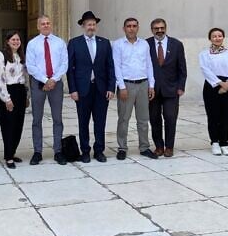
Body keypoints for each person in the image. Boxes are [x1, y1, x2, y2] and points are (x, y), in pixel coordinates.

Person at [67, 11, 115, 163]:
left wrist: (111, 87)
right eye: (89, 24)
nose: (91, 27)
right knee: (83, 122)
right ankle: (85, 151)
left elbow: (110, 67)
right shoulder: (74, 43)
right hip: (82, 90)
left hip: (101, 89)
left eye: (94, 24)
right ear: (83, 26)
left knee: (100, 122)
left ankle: (99, 150)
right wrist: (73, 89)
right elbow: (70, 69)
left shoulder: (104, 43)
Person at [25, 15, 68, 165]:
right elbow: (30, 66)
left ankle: (58, 151)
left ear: (51, 25)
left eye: (48, 23)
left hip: (56, 84)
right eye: (42, 24)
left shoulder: (60, 43)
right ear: (38, 26)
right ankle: (37, 152)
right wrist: (45, 80)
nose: (45, 25)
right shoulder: (32, 44)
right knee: (37, 119)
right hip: (38, 84)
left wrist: (53, 79)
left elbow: (64, 63)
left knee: (57, 119)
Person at [112, 17, 157, 160]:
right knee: (123, 118)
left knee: (143, 119)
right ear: (124, 28)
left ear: (138, 28)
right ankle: (122, 147)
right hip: (127, 85)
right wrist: (121, 87)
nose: (131, 28)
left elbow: (149, 65)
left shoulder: (144, 44)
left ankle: (144, 147)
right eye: (128, 26)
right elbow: (116, 66)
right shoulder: (118, 44)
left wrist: (151, 85)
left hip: (143, 84)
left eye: (134, 26)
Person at [147, 18, 187, 157]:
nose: (159, 30)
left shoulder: (176, 44)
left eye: (162, 28)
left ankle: (169, 147)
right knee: (154, 118)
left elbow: (182, 68)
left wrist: (181, 86)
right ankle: (159, 146)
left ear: (166, 28)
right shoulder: (145, 44)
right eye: (156, 28)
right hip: (152, 90)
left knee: (170, 118)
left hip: (172, 89)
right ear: (152, 30)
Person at [199, 28, 228, 156]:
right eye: (214, 36)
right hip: (212, 86)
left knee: (226, 116)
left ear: (223, 37)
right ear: (210, 38)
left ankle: (224, 143)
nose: (217, 38)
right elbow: (206, 70)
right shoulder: (204, 54)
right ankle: (215, 142)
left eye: (220, 36)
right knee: (213, 115)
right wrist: (220, 83)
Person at [0, 30, 29, 169]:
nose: (16, 42)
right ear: (7, 41)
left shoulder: (21, 55)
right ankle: (8, 157)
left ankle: (12, 152)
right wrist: (6, 99)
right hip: (7, 92)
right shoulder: (1, 55)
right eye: (13, 39)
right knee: (8, 125)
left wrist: (26, 96)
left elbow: (25, 77)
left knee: (18, 124)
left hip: (20, 91)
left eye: (18, 40)